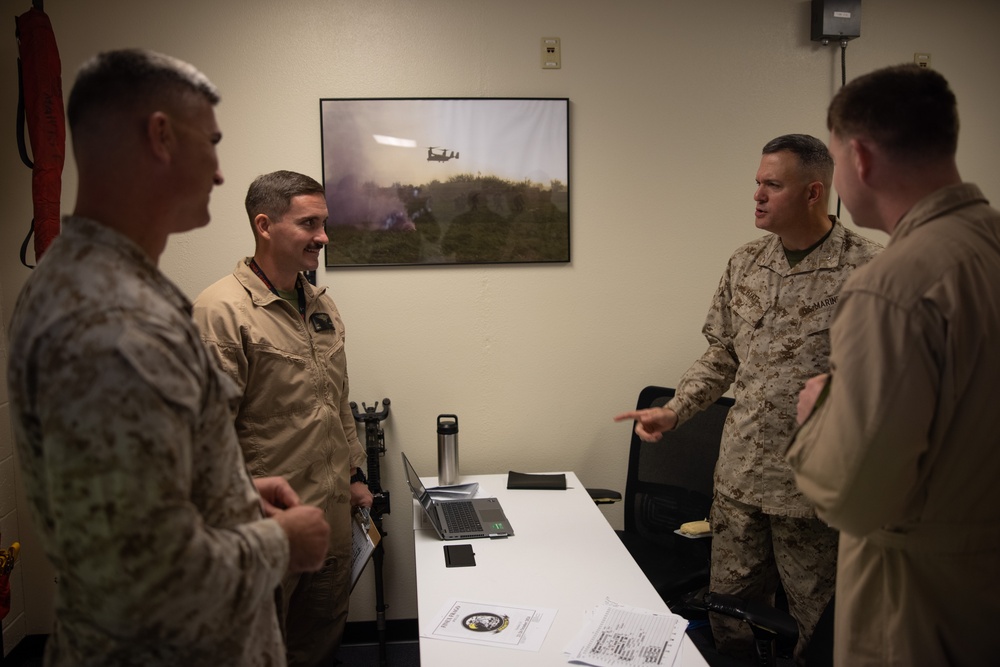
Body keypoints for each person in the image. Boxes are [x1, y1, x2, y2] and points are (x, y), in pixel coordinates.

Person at [6, 49, 330, 666]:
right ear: (160, 136)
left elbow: (129, 511)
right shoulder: (113, 323)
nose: (217, 173)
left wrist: (229, 494)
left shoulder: (98, 284)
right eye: (210, 142)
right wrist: (281, 542)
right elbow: (146, 584)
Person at [614, 134, 882, 662]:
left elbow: (898, 381)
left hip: (812, 494)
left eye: (772, 184)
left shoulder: (869, 271)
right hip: (739, 480)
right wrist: (674, 411)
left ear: (813, 192)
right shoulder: (745, 264)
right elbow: (722, 356)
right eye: (756, 183)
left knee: (819, 627)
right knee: (728, 615)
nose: (757, 195)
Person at [788, 65, 1000, 666]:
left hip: (919, 607)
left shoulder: (894, 284)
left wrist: (819, 410)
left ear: (859, 157)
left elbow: (853, 496)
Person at [193, 170, 372, 666]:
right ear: (265, 225)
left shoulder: (321, 305)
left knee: (317, 646)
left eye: (324, 223)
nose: (323, 237)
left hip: (330, 520)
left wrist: (355, 475)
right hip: (263, 529)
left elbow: (337, 401)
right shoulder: (221, 312)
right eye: (309, 223)